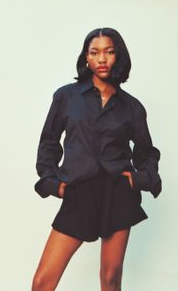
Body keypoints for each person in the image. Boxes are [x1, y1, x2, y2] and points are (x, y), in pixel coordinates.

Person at [32, 27, 162, 291]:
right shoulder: (66, 96)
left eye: (109, 52)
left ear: (118, 56)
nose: (102, 59)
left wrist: (139, 180)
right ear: (87, 59)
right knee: (43, 281)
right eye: (95, 52)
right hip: (79, 190)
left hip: (118, 193)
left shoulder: (132, 107)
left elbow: (147, 152)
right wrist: (52, 182)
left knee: (111, 278)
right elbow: (48, 143)